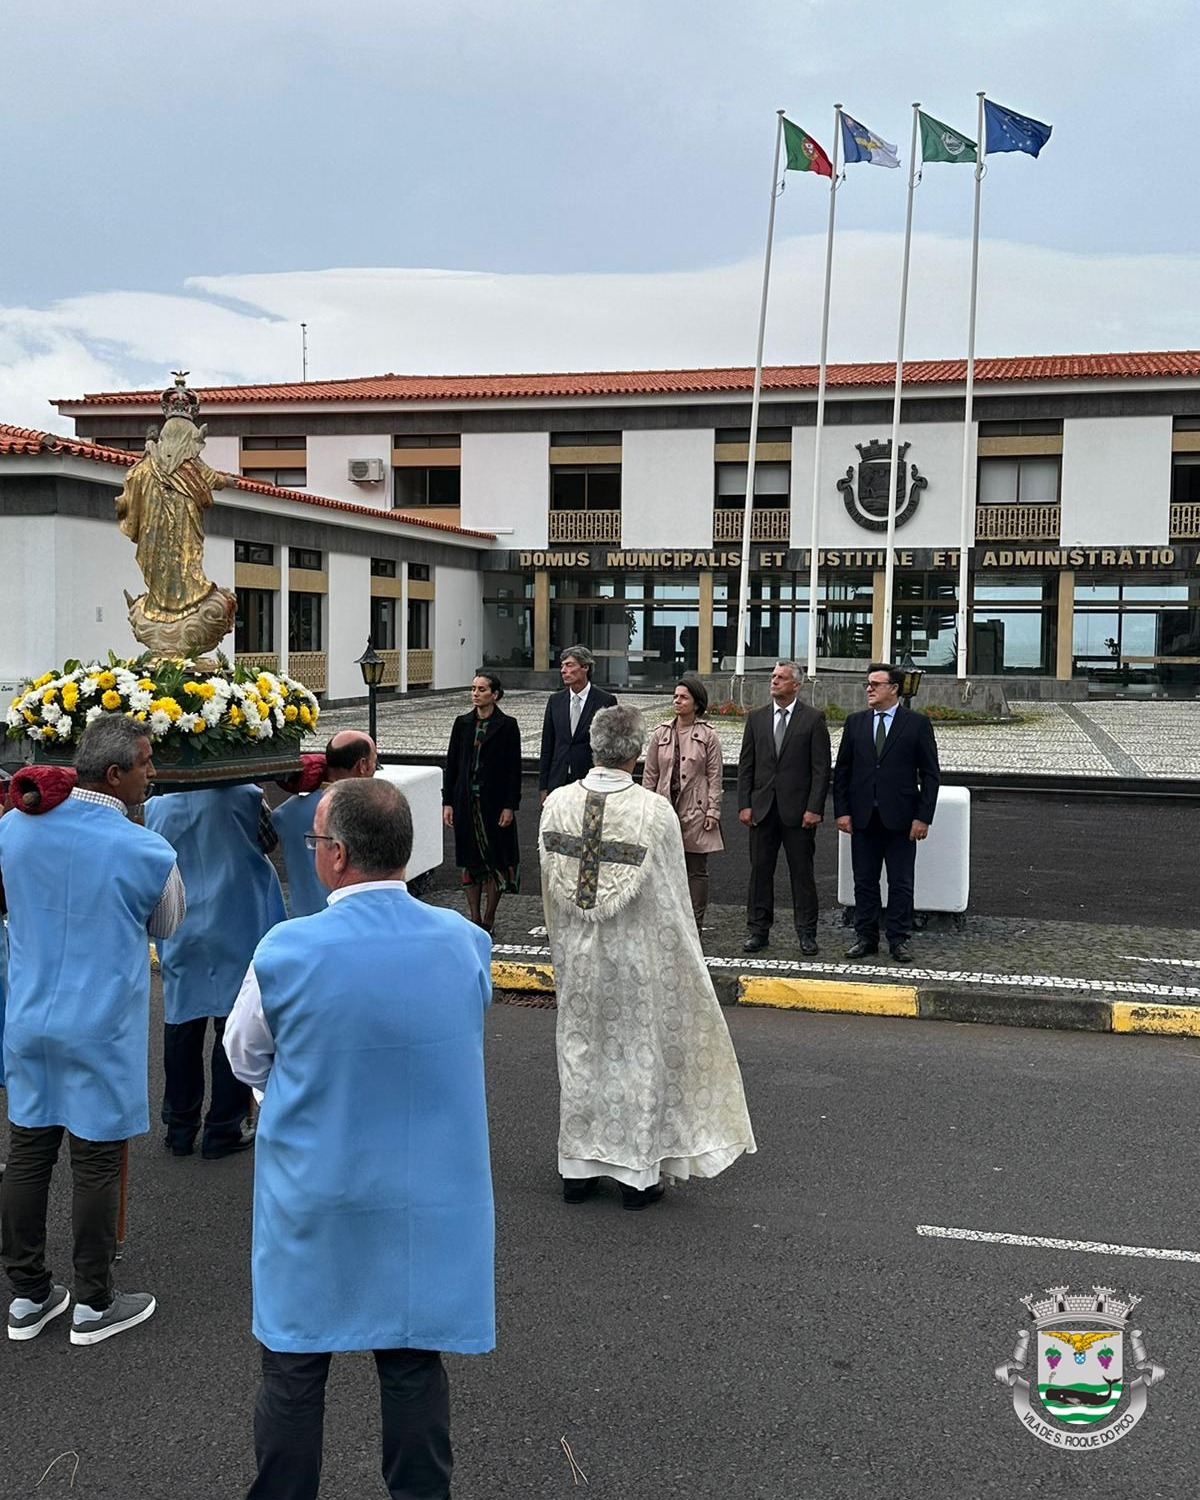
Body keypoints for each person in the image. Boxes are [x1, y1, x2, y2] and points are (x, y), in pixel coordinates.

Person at [224, 779, 494, 1499]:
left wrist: (290, 1092)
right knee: (410, 1362)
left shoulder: (287, 949)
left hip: (314, 1186)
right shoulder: (466, 943)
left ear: (336, 855)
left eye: (315, 842)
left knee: (293, 1360)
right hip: (425, 1191)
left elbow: (244, 1054)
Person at [0, 716, 184, 1345]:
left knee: (28, 1152)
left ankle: (27, 1296)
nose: (152, 772)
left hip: (27, 1015)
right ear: (116, 774)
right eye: (146, 762)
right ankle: (94, 1301)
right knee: (96, 1161)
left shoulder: (15, 828)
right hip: (99, 1022)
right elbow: (168, 924)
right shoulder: (145, 847)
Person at [540, 705, 755, 1211]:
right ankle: (636, 1177)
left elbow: (553, 897)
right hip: (635, 963)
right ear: (637, 753)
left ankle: (578, 1170)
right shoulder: (652, 812)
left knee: (581, 1052)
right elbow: (674, 900)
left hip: (578, 961)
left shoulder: (556, 807)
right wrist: (684, 965)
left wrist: (565, 952)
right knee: (635, 1056)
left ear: (594, 746)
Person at [145, 785, 286, 1159]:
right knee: (232, 1023)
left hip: (181, 919)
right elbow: (269, 842)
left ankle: (179, 1126)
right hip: (234, 915)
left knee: (181, 1021)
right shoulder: (247, 796)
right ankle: (223, 1127)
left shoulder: (156, 804)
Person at [832, 661, 941, 963]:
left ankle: (898, 940)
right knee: (864, 881)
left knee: (901, 882)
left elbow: (930, 774)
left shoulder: (916, 724)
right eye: (867, 684)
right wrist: (842, 811)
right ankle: (865, 937)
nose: (869, 688)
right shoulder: (855, 722)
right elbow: (843, 771)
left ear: (893, 688)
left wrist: (923, 816)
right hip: (864, 817)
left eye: (875, 684)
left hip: (902, 819)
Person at [737, 662, 832, 955]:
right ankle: (758, 930)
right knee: (759, 872)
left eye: (781, 678)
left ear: (796, 685)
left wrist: (815, 808)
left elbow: (821, 769)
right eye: (773, 677)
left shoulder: (813, 719)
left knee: (802, 874)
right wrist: (745, 804)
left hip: (798, 812)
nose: (774, 681)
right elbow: (746, 765)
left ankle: (806, 932)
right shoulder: (756, 718)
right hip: (763, 809)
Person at [642, 674, 724, 936]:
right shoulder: (660, 732)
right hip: (665, 808)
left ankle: (694, 925)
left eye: (683, 697)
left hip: (696, 810)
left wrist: (713, 810)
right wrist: (645, 806)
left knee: (696, 870)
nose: (677, 701)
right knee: (663, 868)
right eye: (675, 696)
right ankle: (665, 922)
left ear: (697, 703)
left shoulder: (708, 736)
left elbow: (715, 775)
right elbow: (650, 774)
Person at [442, 671, 521, 935]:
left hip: (494, 804)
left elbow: (513, 768)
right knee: (470, 859)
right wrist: (448, 802)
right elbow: (452, 764)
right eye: (473, 688)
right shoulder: (462, 723)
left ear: (495, 694)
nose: (476, 693)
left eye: (482, 689)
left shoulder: (507, 725)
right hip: (466, 802)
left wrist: (510, 805)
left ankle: (489, 917)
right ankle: (474, 916)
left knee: (495, 860)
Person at [271, 730, 377, 917]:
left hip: (304, 917)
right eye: (374, 761)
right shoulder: (367, 813)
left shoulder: (286, 813)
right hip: (353, 920)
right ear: (362, 765)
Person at [538, 644, 617, 802]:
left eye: (569, 665)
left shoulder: (605, 700)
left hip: (590, 781)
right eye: (562, 666)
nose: (563, 670)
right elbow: (548, 744)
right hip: (558, 779)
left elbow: (610, 746)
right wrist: (543, 785)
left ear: (585, 667)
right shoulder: (555, 701)